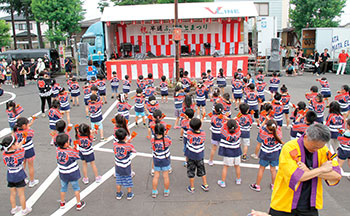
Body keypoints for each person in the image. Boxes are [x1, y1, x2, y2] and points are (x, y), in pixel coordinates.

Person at [269, 124, 341, 216]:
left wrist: (309, 171)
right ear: (306, 137)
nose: (316, 150)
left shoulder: (323, 150)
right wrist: (322, 169)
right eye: (314, 146)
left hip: (309, 206)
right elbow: (297, 176)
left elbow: (337, 175)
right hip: (284, 204)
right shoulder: (289, 147)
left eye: (319, 147)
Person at [1, 135, 32, 215]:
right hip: (19, 174)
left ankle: (14, 208)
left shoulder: (4, 154)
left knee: (12, 193)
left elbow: (16, 148)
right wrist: (21, 144)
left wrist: (19, 144)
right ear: (12, 145)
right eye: (16, 142)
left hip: (10, 175)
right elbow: (22, 150)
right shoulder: (19, 153)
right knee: (21, 194)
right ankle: (24, 209)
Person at [250, 119, 283, 192]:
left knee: (261, 169)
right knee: (273, 169)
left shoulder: (263, 133)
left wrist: (265, 121)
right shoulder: (278, 133)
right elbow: (278, 128)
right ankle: (273, 185)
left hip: (265, 153)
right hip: (275, 153)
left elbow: (261, 128)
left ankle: (257, 185)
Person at [55, 133, 86, 210]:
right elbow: (79, 155)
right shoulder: (71, 152)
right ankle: (78, 203)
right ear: (66, 143)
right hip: (72, 173)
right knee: (76, 188)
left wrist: (69, 147)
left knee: (63, 188)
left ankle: (62, 203)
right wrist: (75, 148)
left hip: (63, 173)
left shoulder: (58, 150)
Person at [185, 118, 209, 193]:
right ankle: (205, 185)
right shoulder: (203, 133)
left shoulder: (189, 132)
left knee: (191, 171)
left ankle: (192, 187)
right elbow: (199, 129)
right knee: (202, 170)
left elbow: (186, 139)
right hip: (200, 155)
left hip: (191, 155)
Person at [14, 117, 39, 188]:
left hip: (21, 150)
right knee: (30, 166)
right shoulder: (29, 131)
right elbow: (31, 133)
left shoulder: (16, 132)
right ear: (24, 125)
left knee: (23, 165)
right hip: (29, 149)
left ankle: (24, 179)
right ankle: (32, 181)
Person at [217, 119, 242, 187]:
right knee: (237, 165)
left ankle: (223, 182)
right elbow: (239, 127)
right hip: (236, 151)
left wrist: (225, 123)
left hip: (228, 152)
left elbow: (222, 129)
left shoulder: (225, 133)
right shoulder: (237, 133)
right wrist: (236, 122)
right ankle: (238, 179)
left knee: (225, 166)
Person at [114, 128, 136, 200]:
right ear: (125, 137)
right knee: (128, 179)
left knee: (118, 180)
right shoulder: (128, 146)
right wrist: (129, 143)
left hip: (118, 165)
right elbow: (134, 151)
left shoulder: (115, 145)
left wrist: (126, 142)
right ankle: (129, 194)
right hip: (126, 166)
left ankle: (118, 193)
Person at [151, 123, 172, 198]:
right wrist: (166, 135)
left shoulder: (153, 139)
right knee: (165, 176)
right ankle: (166, 191)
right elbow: (170, 142)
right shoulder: (166, 139)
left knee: (156, 176)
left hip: (157, 159)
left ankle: (154, 191)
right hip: (165, 159)